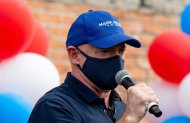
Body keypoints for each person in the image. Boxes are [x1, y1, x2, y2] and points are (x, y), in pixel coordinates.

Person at [28, 10, 159, 123]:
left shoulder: (120, 107)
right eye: (105, 51)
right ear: (74, 55)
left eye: (121, 50)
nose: (116, 59)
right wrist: (129, 119)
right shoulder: (54, 107)